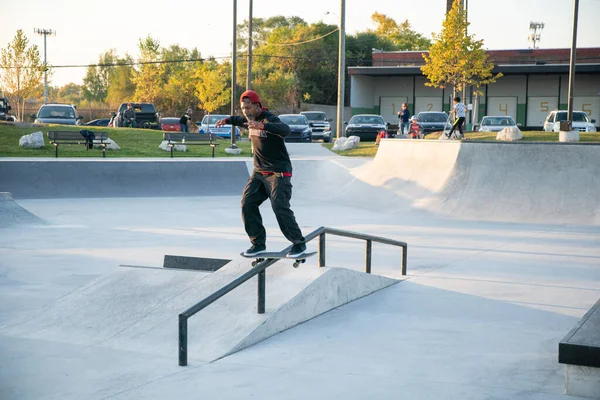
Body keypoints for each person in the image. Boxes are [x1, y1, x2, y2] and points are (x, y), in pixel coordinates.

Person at [215, 90, 307, 258]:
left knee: (279, 207)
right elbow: (237, 119)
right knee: (247, 203)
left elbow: (285, 129)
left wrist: (263, 126)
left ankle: (299, 243)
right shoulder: (248, 119)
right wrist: (226, 120)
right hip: (259, 173)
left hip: (278, 172)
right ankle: (258, 244)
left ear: (257, 106)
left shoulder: (269, 119)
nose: (245, 112)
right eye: (243, 108)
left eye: (248, 108)